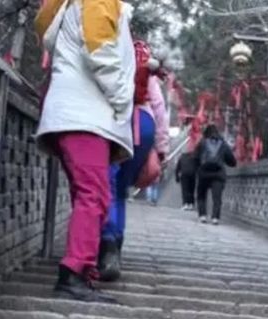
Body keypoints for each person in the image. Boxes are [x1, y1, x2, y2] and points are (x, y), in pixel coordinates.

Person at [35, 0, 135, 302]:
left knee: (92, 195)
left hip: (76, 112)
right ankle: (73, 273)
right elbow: (100, 50)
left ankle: (80, 271)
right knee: (94, 195)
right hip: (85, 114)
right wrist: (121, 101)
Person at [98, 44, 170, 281]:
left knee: (107, 185)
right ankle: (115, 248)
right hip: (145, 122)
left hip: (118, 119)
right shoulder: (144, 65)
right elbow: (159, 107)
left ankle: (107, 244)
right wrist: (161, 148)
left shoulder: (110, 54)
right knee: (119, 190)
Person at [195, 125, 237, 225]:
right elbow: (232, 162)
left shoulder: (202, 143)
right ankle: (215, 218)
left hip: (204, 173)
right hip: (218, 174)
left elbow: (195, 157)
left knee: (201, 195)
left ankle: (202, 216)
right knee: (217, 197)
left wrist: (198, 166)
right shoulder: (223, 144)